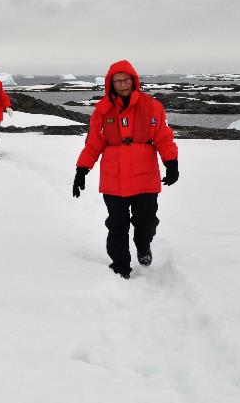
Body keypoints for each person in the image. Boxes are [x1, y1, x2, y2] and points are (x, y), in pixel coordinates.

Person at [72, 60, 179, 279]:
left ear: (134, 80)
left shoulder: (152, 106)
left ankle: (143, 244)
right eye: (117, 81)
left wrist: (171, 162)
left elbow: (163, 137)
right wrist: (82, 169)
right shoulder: (102, 111)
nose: (122, 85)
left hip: (145, 176)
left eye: (126, 80)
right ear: (111, 84)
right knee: (117, 225)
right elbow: (93, 143)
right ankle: (120, 266)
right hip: (114, 178)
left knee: (146, 221)